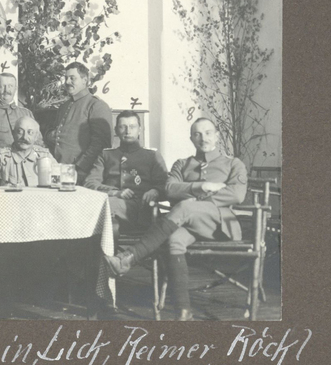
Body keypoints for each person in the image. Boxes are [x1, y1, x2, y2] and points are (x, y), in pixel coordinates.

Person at [102, 117, 247, 320]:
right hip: (186, 222)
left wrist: (193, 197)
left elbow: (237, 194)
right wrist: (201, 187)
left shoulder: (233, 164)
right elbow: (169, 189)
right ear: (191, 138)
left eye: (207, 133)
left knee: (185, 206)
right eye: (197, 134)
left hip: (219, 224)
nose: (203, 138)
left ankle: (128, 257)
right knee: (174, 240)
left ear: (217, 136)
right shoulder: (182, 164)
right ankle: (183, 310)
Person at [84, 110, 164, 233]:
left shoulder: (152, 156)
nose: (127, 131)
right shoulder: (106, 155)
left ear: (140, 129)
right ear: (116, 130)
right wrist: (114, 193)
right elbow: (89, 183)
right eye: (123, 127)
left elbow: (165, 184)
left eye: (132, 127)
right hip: (111, 206)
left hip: (141, 211)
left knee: (103, 206)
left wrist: (155, 190)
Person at [51, 62, 111, 180]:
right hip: (60, 170)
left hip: (82, 173)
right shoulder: (64, 106)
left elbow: (100, 145)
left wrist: (80, 168)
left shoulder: (96, 105)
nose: (67, 82)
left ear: (85, 80)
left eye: (72, 78)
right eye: (66, 78)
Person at [0, 118, 52, 187]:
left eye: (30, 132)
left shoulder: (45, 155)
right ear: (13, 133)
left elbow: (58, 180)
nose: (24, 137)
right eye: (20, 132)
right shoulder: (0, 156)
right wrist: (1, 190)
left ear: (36, 136)